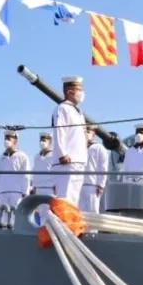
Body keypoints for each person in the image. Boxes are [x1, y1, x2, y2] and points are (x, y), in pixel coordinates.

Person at [51, 75, 88, 206]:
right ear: (69, 91)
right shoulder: (62, 108)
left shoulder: (78, 112)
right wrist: (62, 154)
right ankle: (63, 226)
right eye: (79, 89)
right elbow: (59, 130)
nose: (81, 93)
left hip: (78, 161)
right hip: (67, 162)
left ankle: (70, 226)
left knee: (74, 201)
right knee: (65, 199)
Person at [0, 130, 31, 229]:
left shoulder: (22, 156)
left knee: (15, 217)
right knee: (3, 217)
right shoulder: (1, 158)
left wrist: (25, 192)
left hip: (16, 191)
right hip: (3, 190)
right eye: (5, 138)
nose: (6, 140)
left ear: (15, 141)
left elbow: (26, 175)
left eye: (9, 138)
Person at [79, 125, 109, 213]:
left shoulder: (99, 148)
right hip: (80, 184)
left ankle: (93, 228)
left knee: (92, 211)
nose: (86, 134)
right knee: (79, 212)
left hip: (93, 185)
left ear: (94, 134)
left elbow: (103, 167)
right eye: (85, 132)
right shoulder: (79, 148)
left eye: (88, 132)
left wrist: (101, 184)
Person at [31, 132, 57, 222]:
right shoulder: (37, 157)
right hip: (38, 189)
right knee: (40, 214)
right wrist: (34, 187)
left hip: (49, 189)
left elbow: (57, 172)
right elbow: (34, 173)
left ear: (50, 142)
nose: (42, 142)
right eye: (41, 140)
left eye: (44, 140)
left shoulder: (54, 156)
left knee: (50, 214)